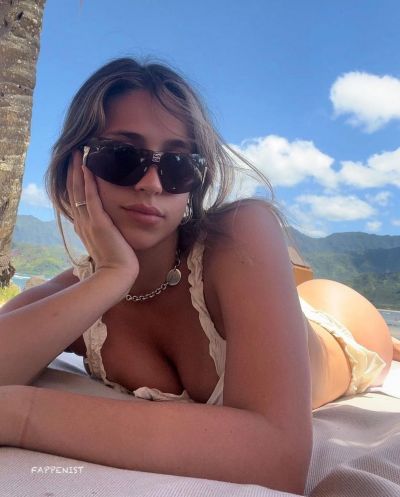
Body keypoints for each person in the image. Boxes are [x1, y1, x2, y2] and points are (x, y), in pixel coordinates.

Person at [0, 58, 394, 494]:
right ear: (73, 167)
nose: (152, 183)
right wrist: (112, 275)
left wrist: (22, 414)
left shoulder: (242, 232)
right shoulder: (81, 295)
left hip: (343, 324)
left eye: (178, 165)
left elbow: (279, 459)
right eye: (123, 157)